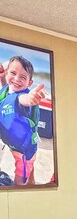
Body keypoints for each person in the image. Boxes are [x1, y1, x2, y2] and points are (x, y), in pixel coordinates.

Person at [0, 55, 46, 185]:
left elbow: (21, 100)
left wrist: (31, 98)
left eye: (23, 77)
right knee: (30, 171)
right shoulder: (7, 89)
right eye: (13, 73)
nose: (16, 79)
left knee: (20, 182)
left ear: (29, 83)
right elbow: (7, 94)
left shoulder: (22, 97)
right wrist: (3, 77)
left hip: (24, 151)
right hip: (15, 144)